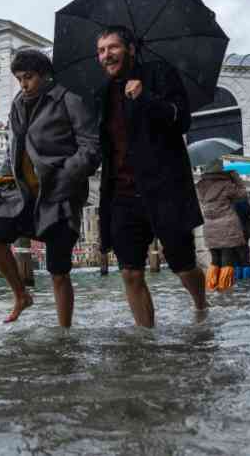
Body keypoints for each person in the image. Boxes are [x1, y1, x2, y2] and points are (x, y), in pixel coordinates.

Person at [95, 25, 207, 327]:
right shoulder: (103, 93)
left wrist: (145, 98)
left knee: (183, 266)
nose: (106, 55)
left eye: (113, 47)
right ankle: (146, 340)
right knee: (130, 272)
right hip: (121, 194)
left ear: (130, 49)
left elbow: (181, 119)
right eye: (102, 51)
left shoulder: (160, 74)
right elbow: (104, 143)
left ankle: (201, 305)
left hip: (164, 189)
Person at [0, 49, 100, 327]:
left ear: (46, 76)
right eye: (19, 78)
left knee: (58, 270)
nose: (23, 84)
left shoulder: (69, 99)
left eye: (29, 77)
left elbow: (91, 146)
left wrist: (66, 175)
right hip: (24, 196)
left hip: (59, 197)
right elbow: (10, 151)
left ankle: (64, 332)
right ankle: (21, 295)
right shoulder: (18, 104)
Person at [196, 160, 249, 292]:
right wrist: (236, 178)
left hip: (209, 226)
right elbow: (243, 195)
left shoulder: (200, 186)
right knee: (227, 258)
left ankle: (212, 286)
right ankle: (225, 289)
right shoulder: (226, 185)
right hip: (227, 226)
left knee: (214, 259)